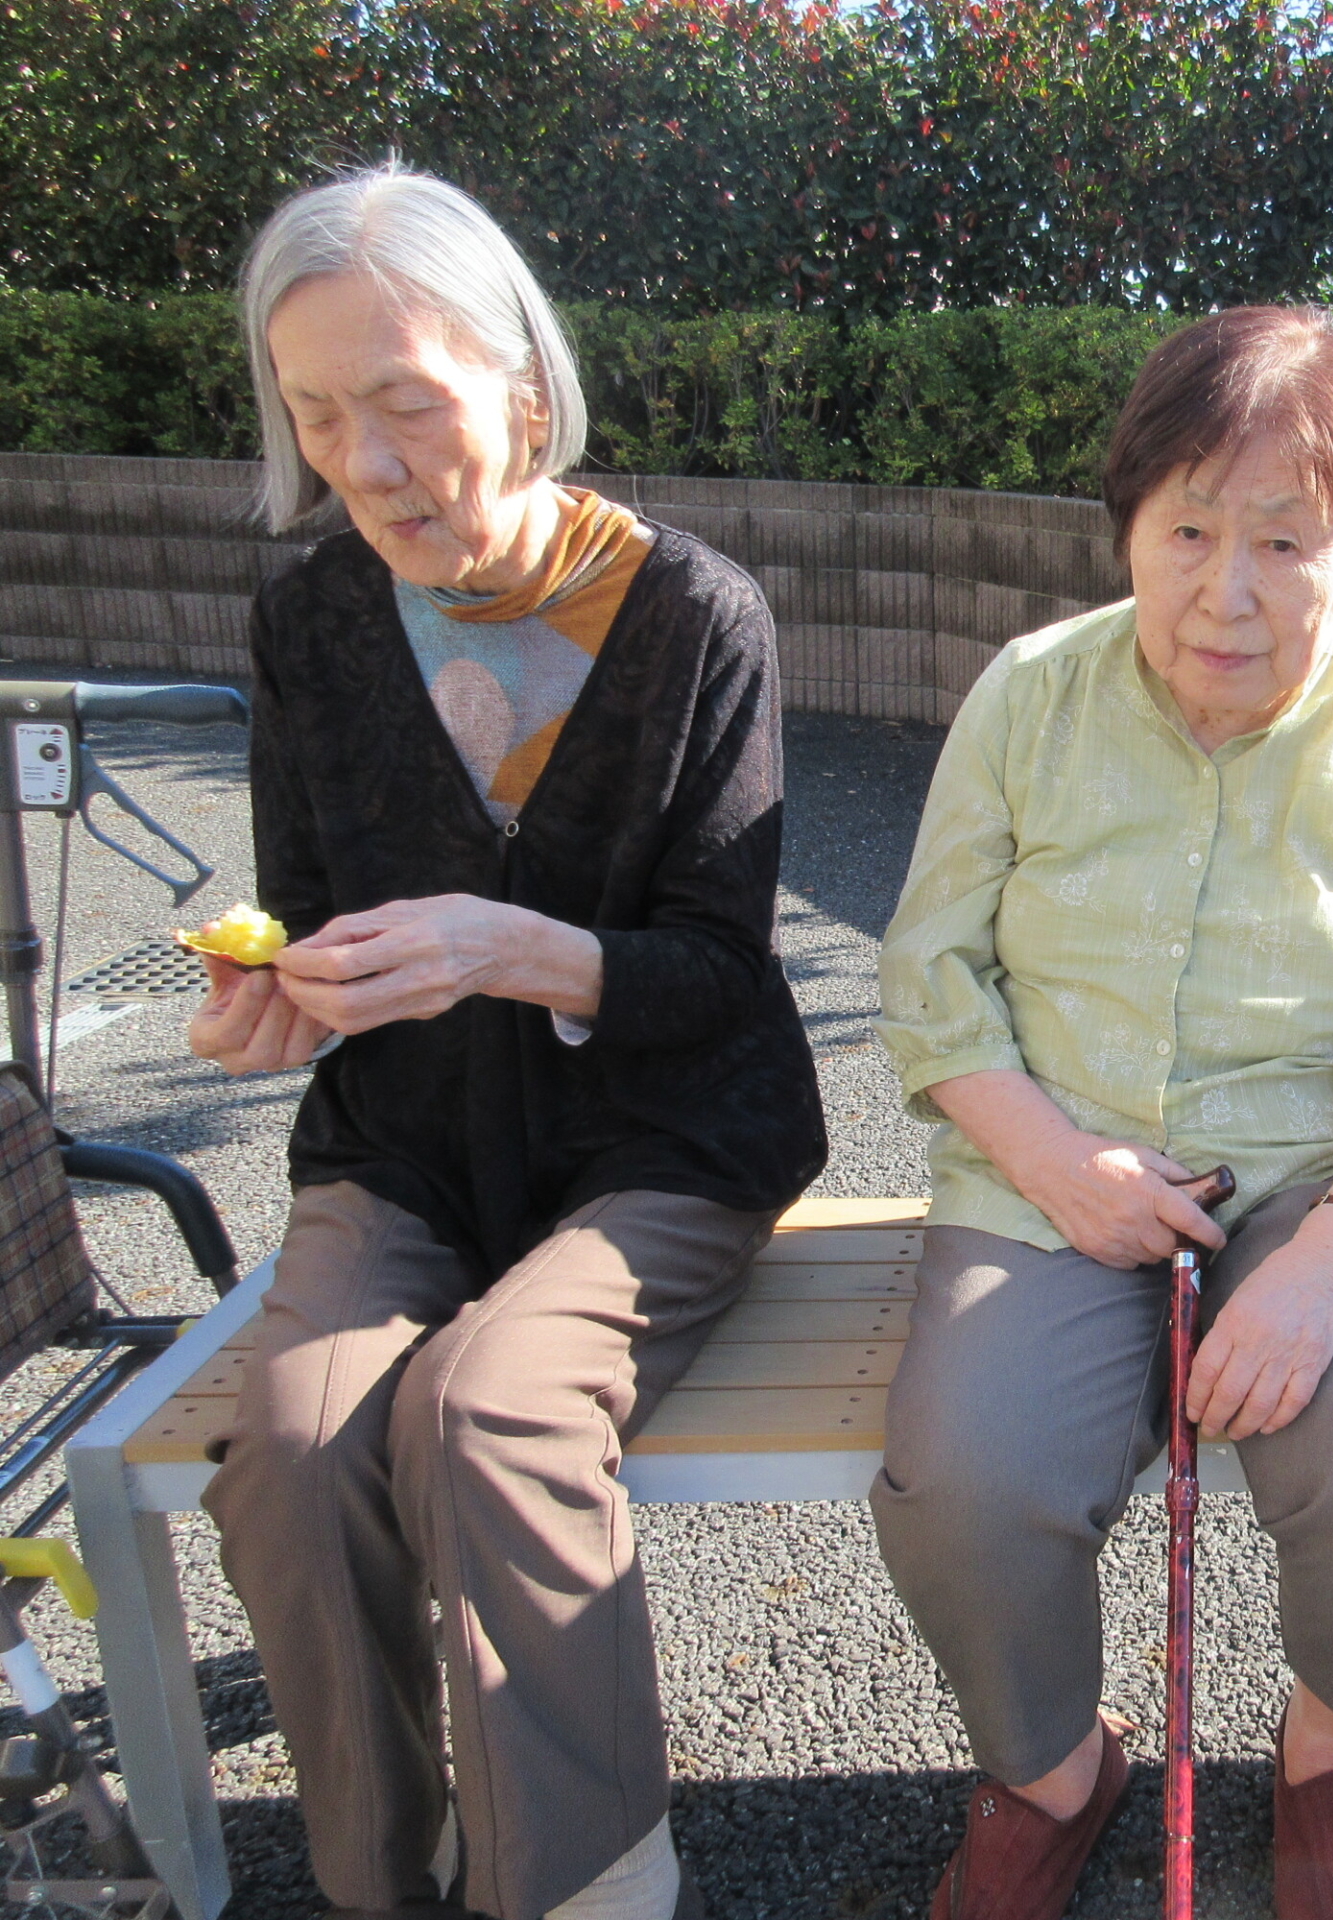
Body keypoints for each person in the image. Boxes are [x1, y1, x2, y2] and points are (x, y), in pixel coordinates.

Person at [190, 164, 825, 1920]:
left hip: (661, 1150)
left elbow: (718, 976)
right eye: (319, 416)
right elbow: (307, 907)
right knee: (295, 1453)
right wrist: (276, 1002)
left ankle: (585, 1888)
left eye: (407, 405)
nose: (365, 464)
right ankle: (381, 1885)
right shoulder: (309, 619)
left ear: (525, 392)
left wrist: (516, 947)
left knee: (486, 1413)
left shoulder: (698, 615)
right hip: (404, 1146)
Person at [872, 306, 1333, 1920]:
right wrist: (1053, 1159)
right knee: (964, 1474)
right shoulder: (1032, 694)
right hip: (1053, 1169)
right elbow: (930, 972)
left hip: (1326, 1177)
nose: (1222, 590)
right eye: (1183, 529)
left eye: (1282, 542)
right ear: (1129, 525)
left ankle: (1329, 1762)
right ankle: (1052, 1769)